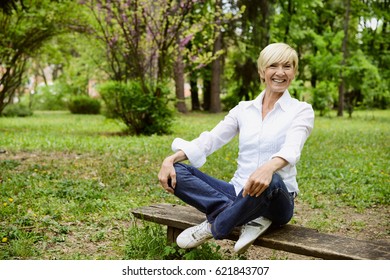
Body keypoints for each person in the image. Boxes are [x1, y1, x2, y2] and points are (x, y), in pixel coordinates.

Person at [158, 42, 314, 254]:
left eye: (287, 66)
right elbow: (211, 139)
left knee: (272, 181)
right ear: (262, 71)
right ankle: (249, 215)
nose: (280, 72)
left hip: (277, 199)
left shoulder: (301, 110)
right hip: (238, 191)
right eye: (273, 66)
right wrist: (171, 160)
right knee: (176, 171)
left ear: (294, 72)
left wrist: (268, 168)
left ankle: (215, 225)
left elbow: (292, 148)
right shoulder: (243, 110)